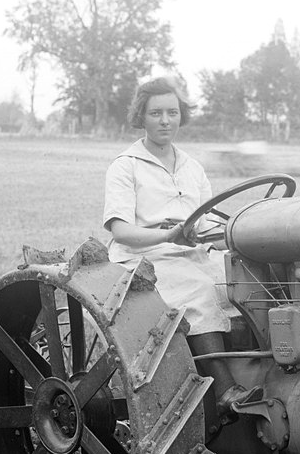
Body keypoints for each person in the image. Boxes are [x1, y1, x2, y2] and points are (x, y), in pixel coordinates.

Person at [102, 76, 258, 420]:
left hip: (189, 253)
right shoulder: (126, 165)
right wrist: (166, 236)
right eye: (156, 113)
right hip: (143, 259)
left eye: (172, 112)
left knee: (241, 281)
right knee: (199, 290)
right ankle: (224, 389)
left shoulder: (191, 166)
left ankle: (263, 373)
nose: (165, 120)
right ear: (141, 116)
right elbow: (120, 230)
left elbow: (204, 224)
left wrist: (234, 235)